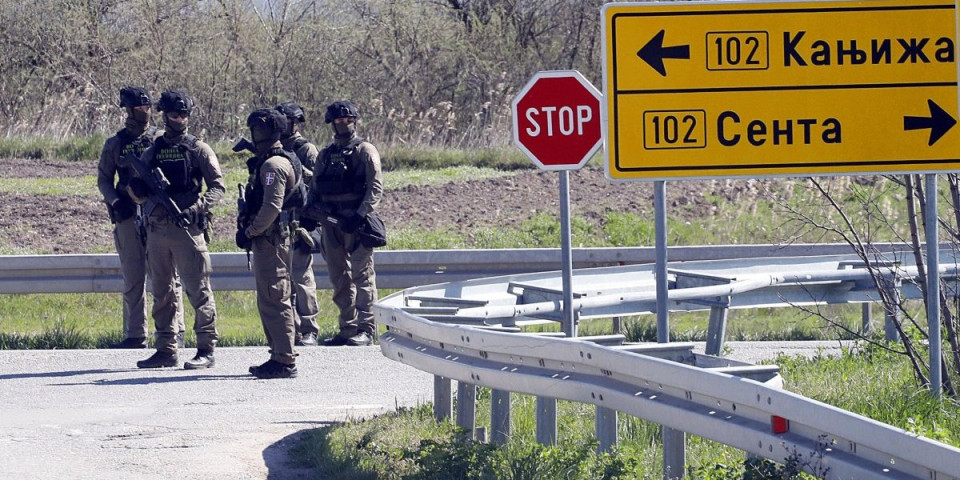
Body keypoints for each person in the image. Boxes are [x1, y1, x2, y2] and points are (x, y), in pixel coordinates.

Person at [129, 89, 224, 369]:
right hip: (157, 229)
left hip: (187, 229)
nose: (179, 118)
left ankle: (206, 348)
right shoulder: (153, 150)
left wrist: (196, 209)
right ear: (165, 115)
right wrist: (137, 191)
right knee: (162, 291)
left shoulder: (198, 149)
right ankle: (166, 348)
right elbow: (137, 191)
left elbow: (218, 187)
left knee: (198, 290)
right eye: (174, 114)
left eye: (184, 114)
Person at [96, 86, 184, 349]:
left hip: (156, 215)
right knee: (133, 276)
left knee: (168, 276)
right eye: (139, 109)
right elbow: (104, 179)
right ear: (128, 111)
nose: (145, 113)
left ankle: (174, 331)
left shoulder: (159, 140)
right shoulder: (115, 144)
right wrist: (115, 201)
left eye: (147, 108)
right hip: (126, 215)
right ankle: (135, 334)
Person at [303, 100, 383, 347]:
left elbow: (375, 187)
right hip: (330, 224)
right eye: (339, 121)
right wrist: (311, 213)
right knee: (339, 278)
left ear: (355, 121)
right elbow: (315, 188)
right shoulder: (325, 155)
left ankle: (367, 329)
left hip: (356, 223)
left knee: (362, 277)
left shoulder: (364, 150)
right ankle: (347, 328)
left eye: (348, 120)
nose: (344, 125)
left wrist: (359, 215)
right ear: (332, 124)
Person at [237, 108, 307, 379]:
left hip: (271, 239)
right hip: (271, 238)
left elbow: (271, 207)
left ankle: (284, 359)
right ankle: (278, 354)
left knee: (275, 297)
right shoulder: (273, 160)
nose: (255, 136)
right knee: (272, 296)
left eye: (257, 131)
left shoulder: (273, 165)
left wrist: (250, 231)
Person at [275, 102, 321, 347]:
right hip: (277, 219)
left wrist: (295, 168)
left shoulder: (306, 149)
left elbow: (318, 181)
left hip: (300, 220)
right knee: (282, 279)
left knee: (301, 276)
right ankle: (288, 328)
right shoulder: (272, 147)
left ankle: (309, 328)